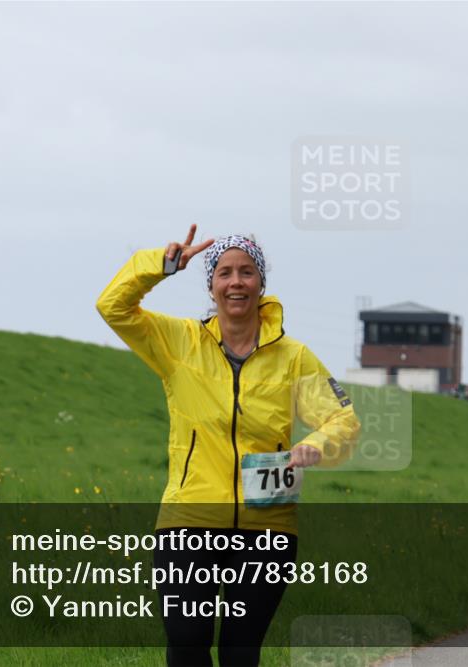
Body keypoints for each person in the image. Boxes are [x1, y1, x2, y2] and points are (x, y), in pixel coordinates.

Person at [96, 226, 361, 666]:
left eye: (246, 272)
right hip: (188, 522)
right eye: (224, 273)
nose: (235, 282)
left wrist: (316, 445)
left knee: (241, 652)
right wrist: (158, 266)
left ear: (261, 284)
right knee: (186, 643)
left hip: (267, 527)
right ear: (212, 286)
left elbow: (343, 420)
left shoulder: (293, 357)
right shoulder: (180, 343)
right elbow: (113, 306)